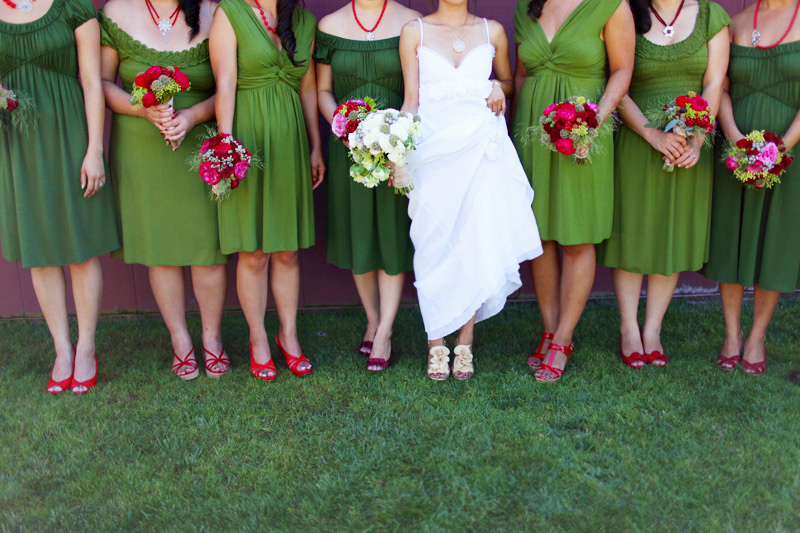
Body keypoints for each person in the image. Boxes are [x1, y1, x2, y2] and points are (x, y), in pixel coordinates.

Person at [399, 0, 543, 381]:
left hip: (482, 148)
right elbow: (411, 100)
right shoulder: (415, 31)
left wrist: (498, 85)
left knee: (476, 238)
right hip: (432, 152)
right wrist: (400, 152)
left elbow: (511, 83)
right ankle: (436, 342)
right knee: (431, 242)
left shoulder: (492, 30)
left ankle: (465, 341)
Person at [100, 0, 230, 381]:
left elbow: (227, 83)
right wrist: (143, 109)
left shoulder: (212, 11)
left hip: (199, 144)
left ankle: (213, 339)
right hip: (141, 149)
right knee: (161, 250)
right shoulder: (115, 12)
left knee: (207, 249)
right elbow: (103, 84)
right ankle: (181, 342)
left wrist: (191, 116)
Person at [595, 0, 730, 369]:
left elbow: (714, 80)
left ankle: (652, 328)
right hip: (639, 140)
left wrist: (699, 139)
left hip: (690, 141)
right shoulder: (626, 11)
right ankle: (628, 327)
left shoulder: (710, 15)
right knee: (633, 231)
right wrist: (651, 134)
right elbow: (617, 80)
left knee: (672, 232)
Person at [511, 0, 634, 383]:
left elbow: (622, 69)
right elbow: (520, 76)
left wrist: (594, 120)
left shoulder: (611, 6)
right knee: (540, 233)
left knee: (577, 236)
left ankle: (564, 339)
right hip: (531, 132)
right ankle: (549, 329)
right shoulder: (526, 8)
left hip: (584, 133)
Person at [0, 0, 120, 394]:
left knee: (80, 246)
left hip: (71, 136)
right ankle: (62, 349)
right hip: (20, 144)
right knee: (41, 249)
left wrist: (94, 150)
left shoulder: (72, 7)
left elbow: (91, 81)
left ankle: (86, 348)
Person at [210, 0, 324, 379]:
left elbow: (307, 88)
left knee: (287, 250)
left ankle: (287, 335)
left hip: (289, 143)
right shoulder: (231, 12)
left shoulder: (304, 21)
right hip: (248, 138)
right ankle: (257, 337)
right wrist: (226, 147)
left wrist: (315, 146)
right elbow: (225, 80)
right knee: (254, 251)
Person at [315, 0, 420, 372]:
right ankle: (373, 319)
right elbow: (322, 90)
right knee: (358, 234)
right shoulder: (329, 24)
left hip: (395, 147)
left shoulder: (411, 22)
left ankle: (386, 331)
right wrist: (344, 128)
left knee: (392, 235)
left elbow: (417, 90)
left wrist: (396, 140)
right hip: (348, 147)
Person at [704, 0, 800, 375]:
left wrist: (779, 151)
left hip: (789, 153)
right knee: (732, 239)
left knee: (773, 241)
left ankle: (757, 335)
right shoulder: (737, 22)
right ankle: (731, 333)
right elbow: (720, 87)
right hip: (737, 150)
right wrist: (734, 138)